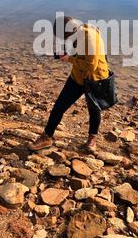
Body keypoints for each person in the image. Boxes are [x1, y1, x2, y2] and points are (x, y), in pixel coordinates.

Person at [29, 16, 109, 152]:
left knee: (94, 110)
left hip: (95, 78)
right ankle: (47, 137)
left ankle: (92, 140)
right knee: (59, 106)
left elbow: (90, 65)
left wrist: (69, 59)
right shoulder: (76, 32)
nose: (65, 39)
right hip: (77, 76)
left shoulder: (90, 37)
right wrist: (64, 53)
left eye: (64, 36)